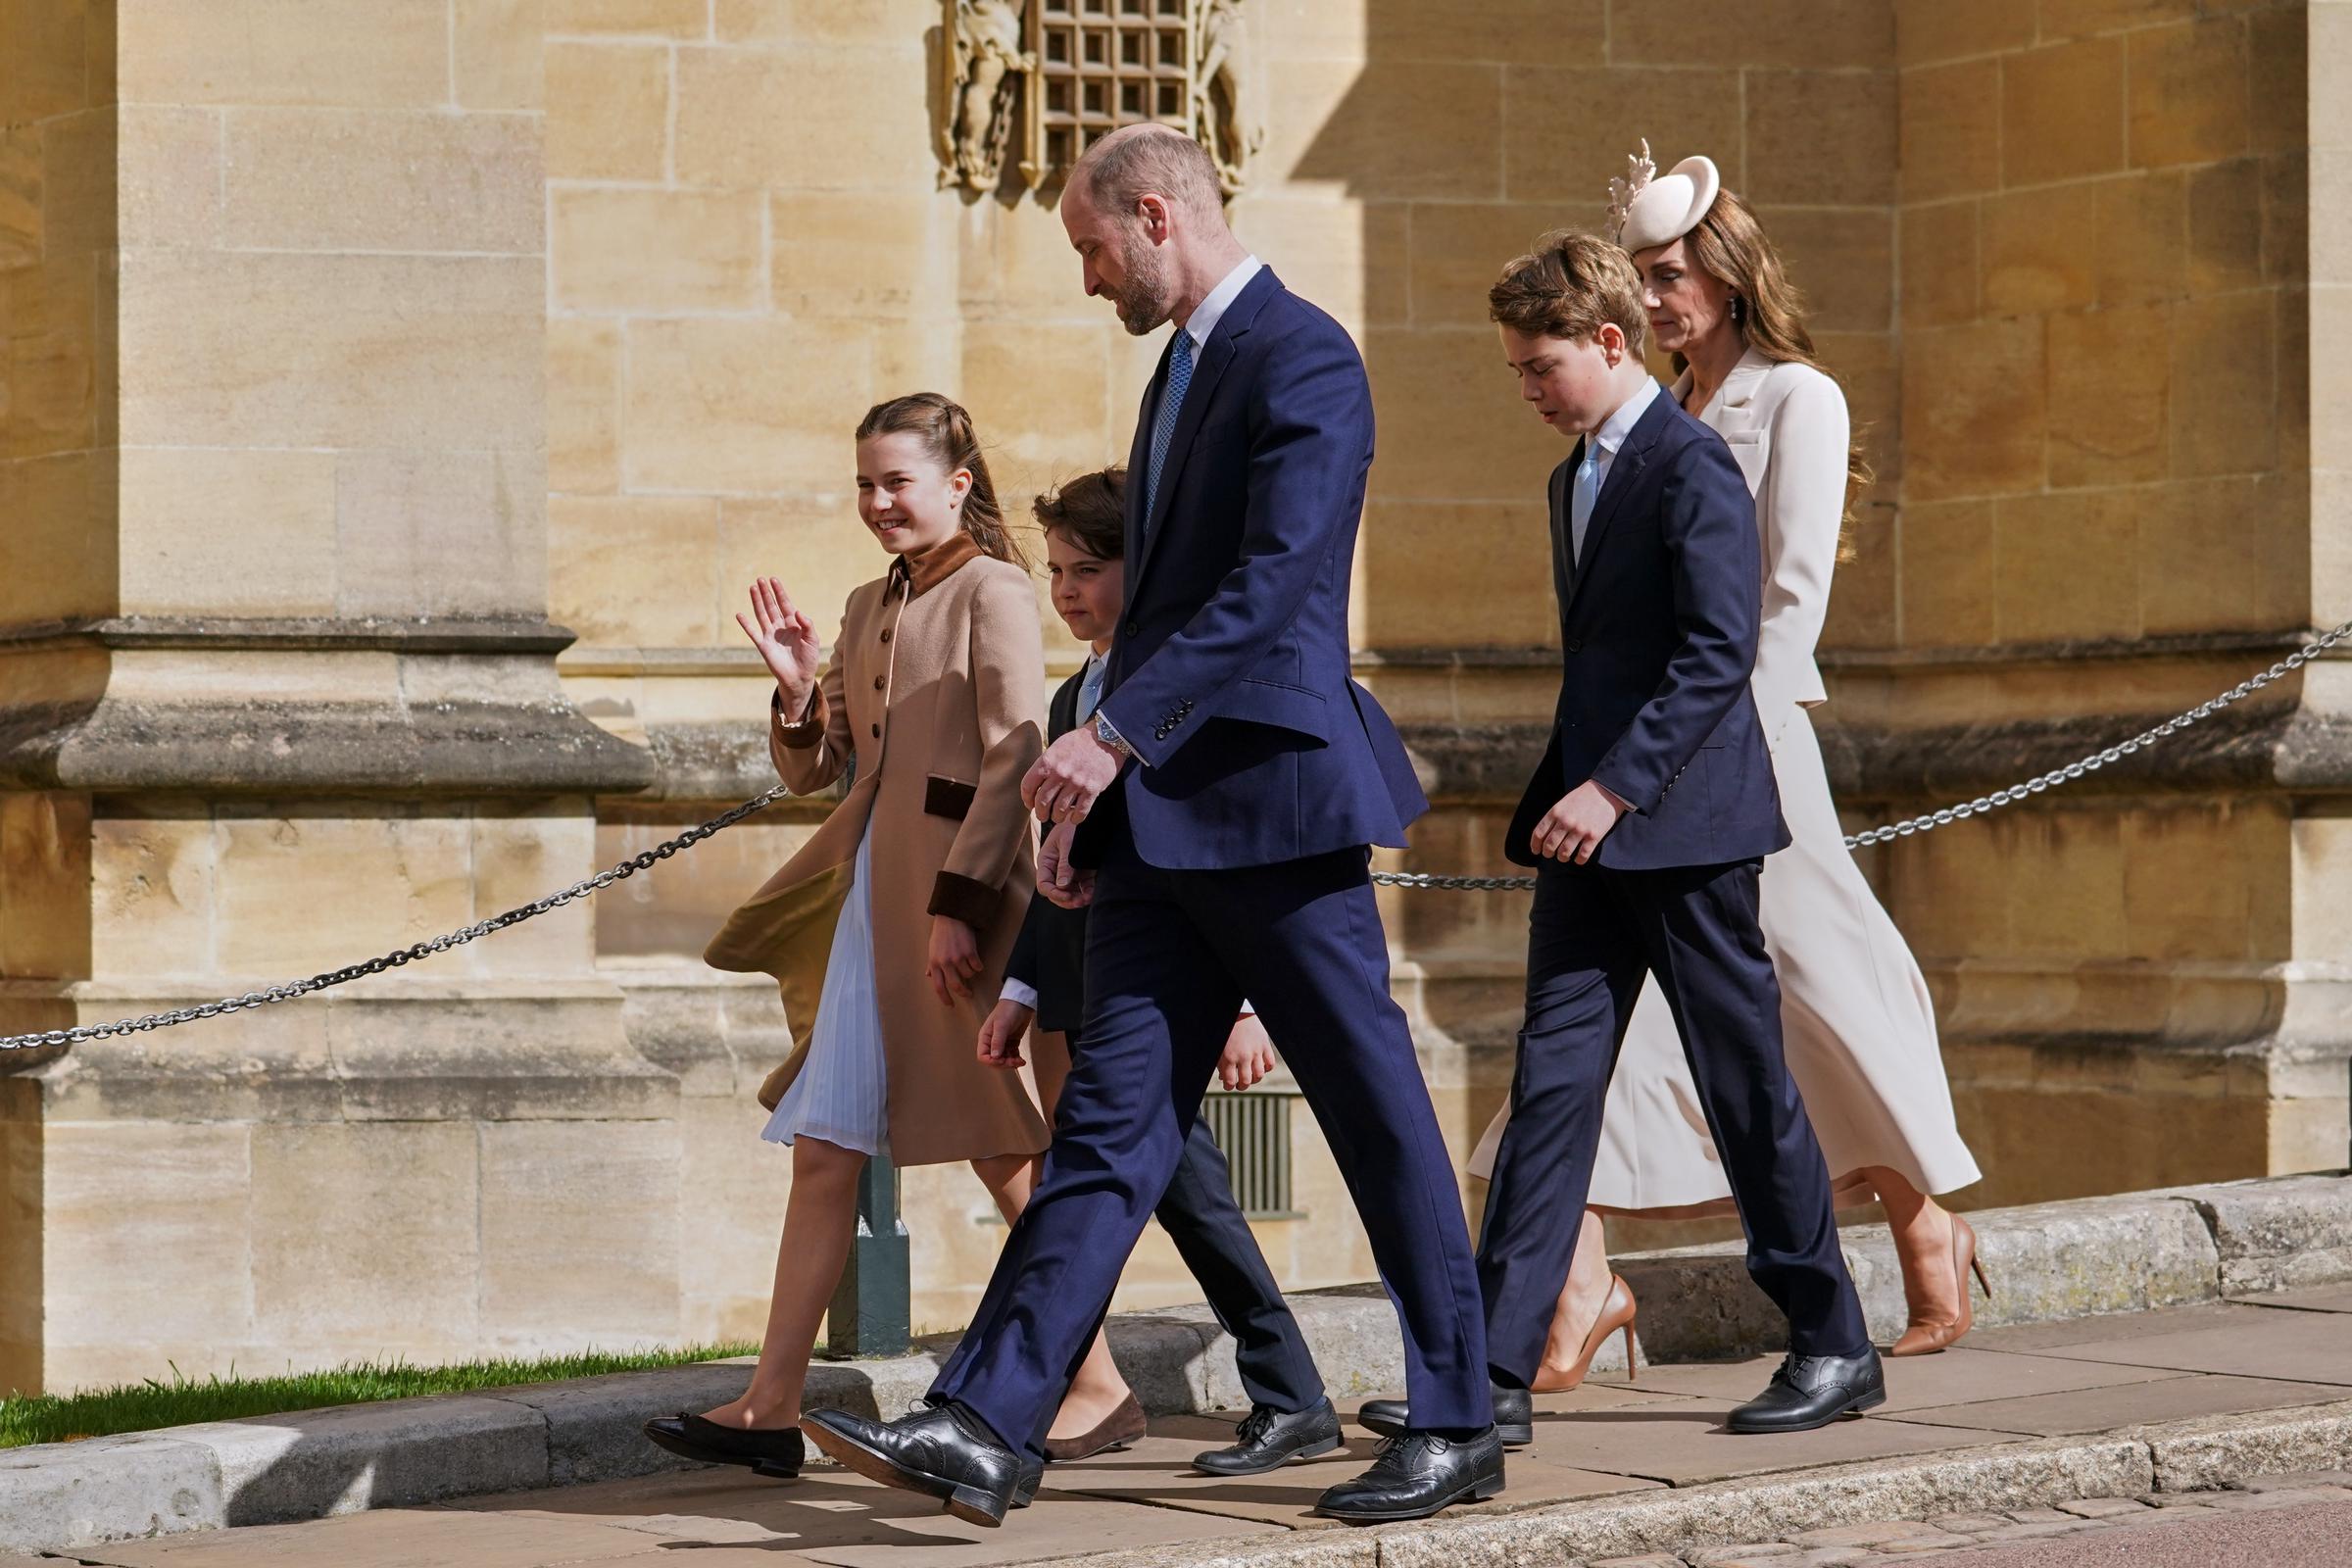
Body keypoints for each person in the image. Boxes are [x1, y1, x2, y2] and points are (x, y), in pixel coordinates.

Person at [800, 124, 1500, 1528]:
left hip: (1277, 811)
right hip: (1160, 830)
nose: (1084, 278)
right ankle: (993, 1425)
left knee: (1370, 1112)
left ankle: (1457, 1416)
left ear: (1158, 211)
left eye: (1089, 246)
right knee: (1108, 1133)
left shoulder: (1301, 358)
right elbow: (1172, 615)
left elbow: (1275, 591)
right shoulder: (1182, 370)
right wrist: (1101, 786)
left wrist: (1108, 735)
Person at [1468, 154, 1988, 1367]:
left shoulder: (1789, 401)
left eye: (1669, 277)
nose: (1656, 300)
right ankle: (1549, 1301)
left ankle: (1916, 1227)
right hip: (1644, 778)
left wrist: (1656, 769)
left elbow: (1777, 607)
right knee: (1599, 1049)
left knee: (1807, 997)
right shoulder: (1636, 428)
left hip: (1740, 746)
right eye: (1640, 280)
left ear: (1724, 274)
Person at [1364, 230, 1883, 1443]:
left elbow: (1718, 655)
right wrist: (1566, 802)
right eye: (1516, 372)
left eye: (1541, 367)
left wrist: (1616, 790)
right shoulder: (1572, 480)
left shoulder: (1692, 467)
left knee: (1745, 1087)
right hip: (1590, 845)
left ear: (1608, 343)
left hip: (1689, 832)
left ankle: (1832, 1339)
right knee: (1551, 1092)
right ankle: (1489, 1378)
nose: (1529, 391)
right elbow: (1606, 666)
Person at [642, 393, 1134, 1499]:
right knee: (826, 1150)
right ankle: (770, 1407)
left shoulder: (996, 590)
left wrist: (962, 899)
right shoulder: (871, 602)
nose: (876, 502)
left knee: (1001, 1146)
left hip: (954, 909)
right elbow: (825, 776)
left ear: (958, 482)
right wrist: (793, 691)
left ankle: (1096, 1379)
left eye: (896, 481)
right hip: (872, 901)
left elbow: (1018, 751)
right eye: (864, 483)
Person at [978, 466, 1343, 1476]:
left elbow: (1231, 858)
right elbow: (1058, 861)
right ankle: (1282, 1394)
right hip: (1088, 992)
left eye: (1088, 569)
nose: (1065, 591)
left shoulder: (1176, 693)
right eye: (1054, 570)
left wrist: (1241, 1008)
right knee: (1157, 1200)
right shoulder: (1073, 692)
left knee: (1136, 1199)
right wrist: (1020, 988)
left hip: (1170, 1000)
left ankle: (1008, 1407)